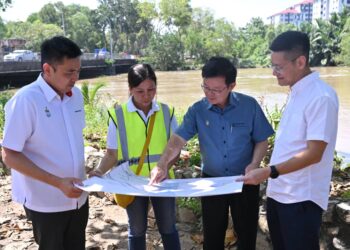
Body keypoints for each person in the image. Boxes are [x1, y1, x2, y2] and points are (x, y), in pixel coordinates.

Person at [150, 57, 274, 250]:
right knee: (212, 235)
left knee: (247, 233)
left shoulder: (249, 106)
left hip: (245, 180)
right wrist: (162, 164)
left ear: (231, 85)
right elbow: (177, 140)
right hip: (212, 182)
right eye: (206, 87)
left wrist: (255, 163)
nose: (210, 94)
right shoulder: (198, 110)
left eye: (216, 90)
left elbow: (262, 140)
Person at [238, 31, 339, 250]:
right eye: (272, 66)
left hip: (301, 200)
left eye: (279, 67)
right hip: (280, 194)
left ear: (301, 61)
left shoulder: (321, 97)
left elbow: (314, 153)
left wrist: (268, 171)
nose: (274, 73)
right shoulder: (297, 92)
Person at [1, 36, 88, 250]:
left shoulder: (75, 96)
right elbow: (9, 155)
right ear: (48, 69)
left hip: (79, 199)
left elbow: (71, 141)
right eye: (69, 72)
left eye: (78, 71)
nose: (75, 78)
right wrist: (58, 182)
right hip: (46, 203)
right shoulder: (26, 100)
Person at [89, 63, 181, 250]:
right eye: (140, 91)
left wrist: (165, 168)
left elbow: (176, 149)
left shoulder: (167, 112)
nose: (146, 96)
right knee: (137, 229)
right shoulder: (118, 116)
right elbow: (111, 154)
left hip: (162, 182)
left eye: (151, 90)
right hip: (131, 182)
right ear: (130, 89)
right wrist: (99, 171)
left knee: (168, 227)